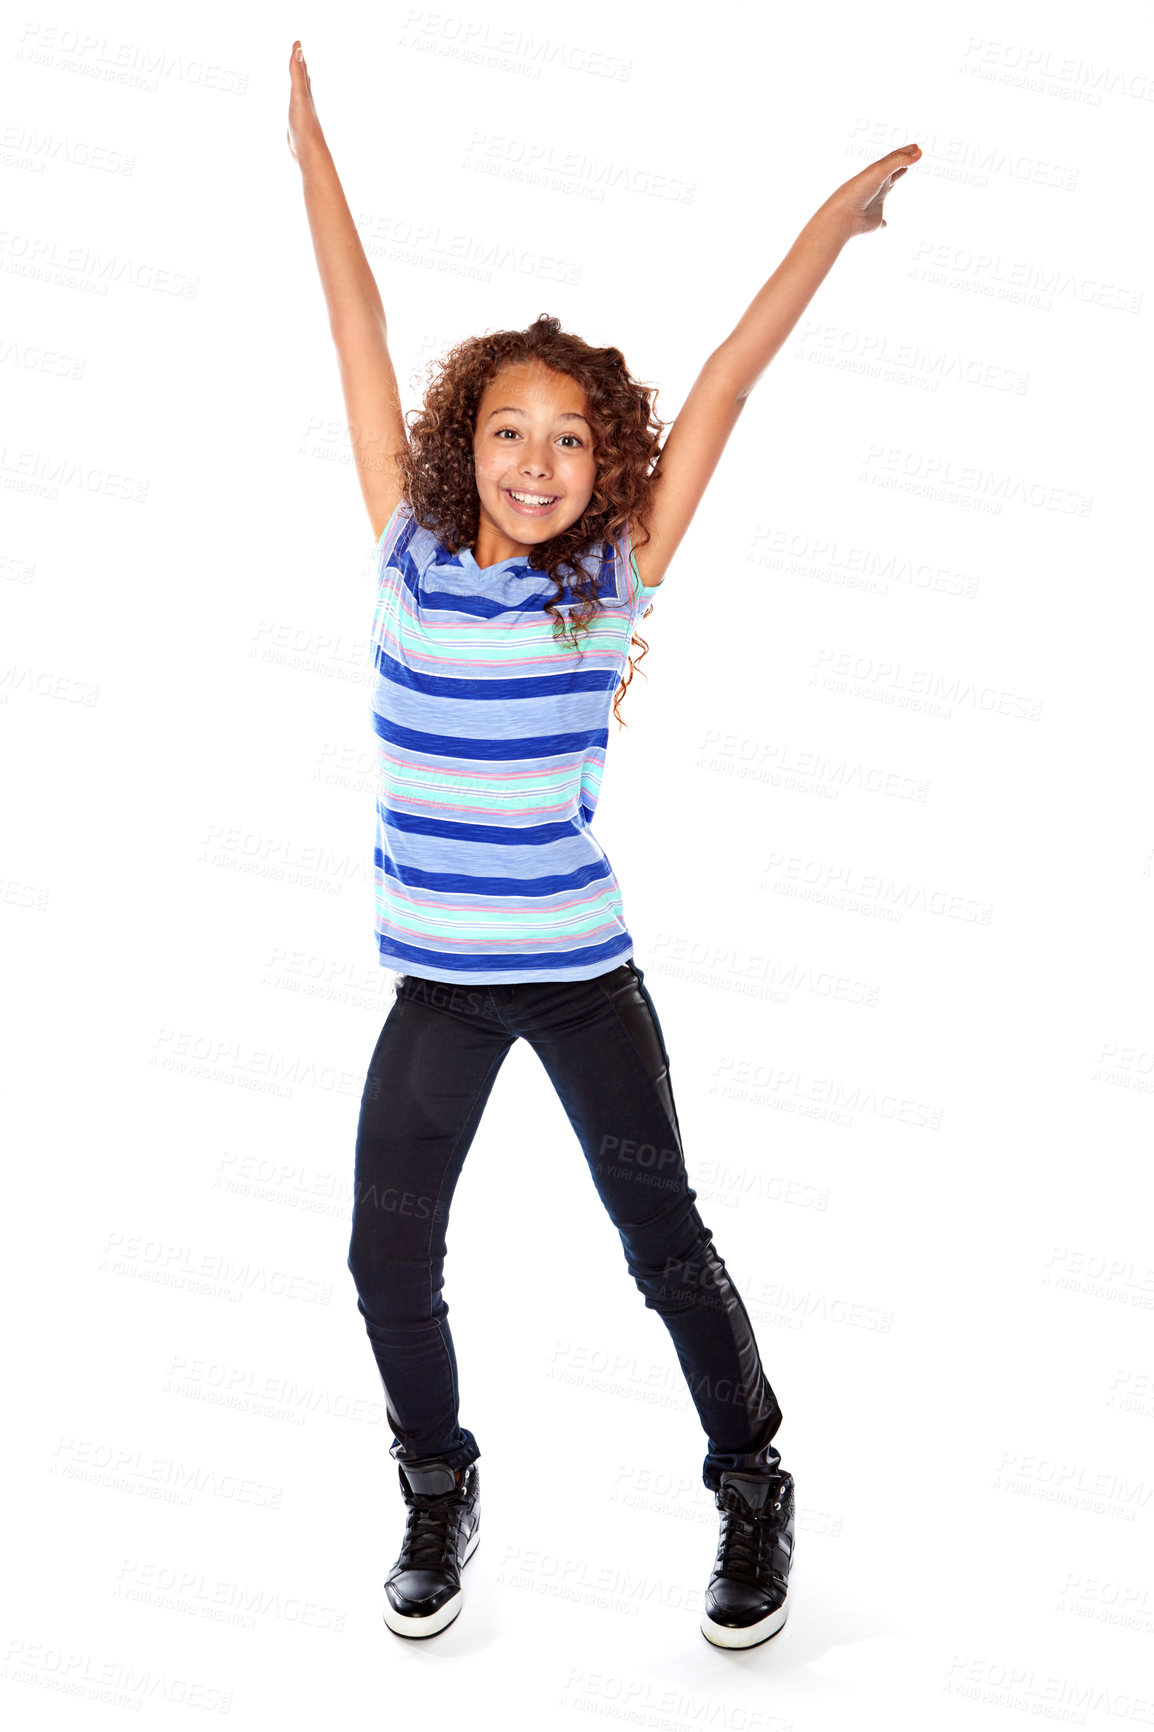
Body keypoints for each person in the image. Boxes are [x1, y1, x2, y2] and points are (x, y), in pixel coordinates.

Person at [286, 39, 921, 1648]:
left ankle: (750, 1482)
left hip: (578, 982)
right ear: (464, 443)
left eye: (570, 439)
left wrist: (821, 233)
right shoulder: (405, 557)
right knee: (384, 1263)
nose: (538, 462)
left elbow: (724, 380)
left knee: (664, 1246)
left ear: (600, 461)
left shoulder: (612, 579)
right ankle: (436, 1482)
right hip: (439, 989)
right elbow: (354, 325)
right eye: (511, 432)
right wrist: (309, 156)